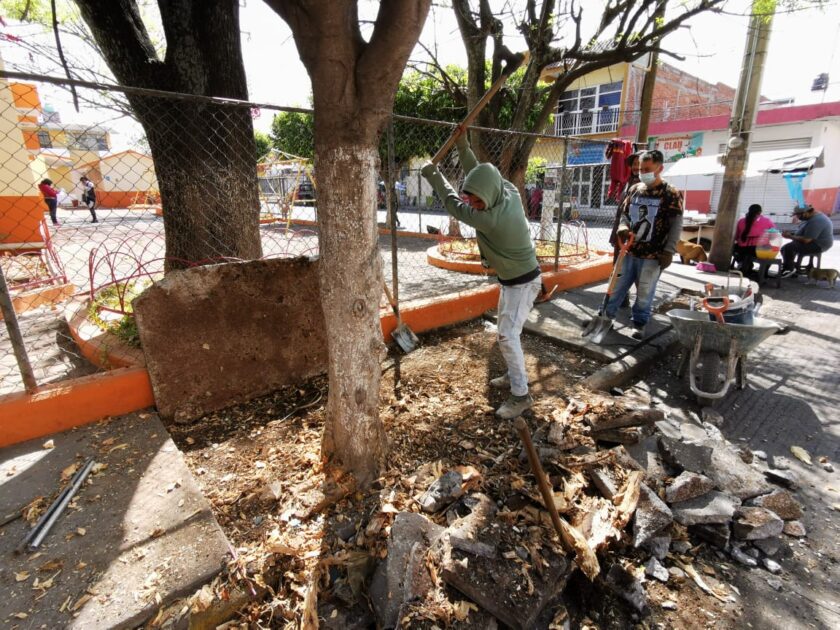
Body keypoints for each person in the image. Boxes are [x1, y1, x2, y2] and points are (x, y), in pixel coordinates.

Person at [421, 131, 540, 420]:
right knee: (507, 332)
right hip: (515, 280)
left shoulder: (489, 218)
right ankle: (515, 378)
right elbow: (478, 172)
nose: (474, 206)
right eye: (472, 201)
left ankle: (521, 395)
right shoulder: (506, 189)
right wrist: (461, 142)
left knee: (507, 336)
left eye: (476, 202)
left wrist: (433, 174)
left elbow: (451, 202)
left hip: (522, 283)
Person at [603, 149, 683, 340]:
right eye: (640, 169)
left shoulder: (671, 193)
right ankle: (606, 317)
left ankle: (639, 323)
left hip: (653, 255)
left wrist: (669, 251)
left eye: (647, 168)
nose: (642, 172)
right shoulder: (635, 189)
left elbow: (676, 224)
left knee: (645, 291)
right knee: (616, 285)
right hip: (629, 251)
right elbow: (625, 214)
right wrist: (623, 226)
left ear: (660, 168)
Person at [780, 205, 834, 277]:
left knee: (789, 247)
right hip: (813, 241)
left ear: (805, 213)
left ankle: (790, 270)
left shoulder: (817, 221)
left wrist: (790, 236)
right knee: (785, 248)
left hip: (818, 245)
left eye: (798, 215)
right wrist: (791, 234)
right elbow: (803, 233)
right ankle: (791, 266)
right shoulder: (811, 218)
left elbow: (806, 240)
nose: (798, 217)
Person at [732, 203, 775, 271]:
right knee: (772, 252)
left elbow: (736, 237)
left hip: (743, 250)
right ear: (760, 212)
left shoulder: (741, 221)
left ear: (749, 211)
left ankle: (743, 262)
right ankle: (763, 271)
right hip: (760, 250)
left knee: (733, 248)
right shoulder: (767, 221)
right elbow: (774, 236)